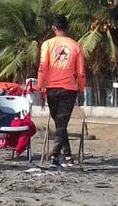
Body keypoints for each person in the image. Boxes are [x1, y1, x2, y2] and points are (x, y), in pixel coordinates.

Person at [35, 15, 86, 169]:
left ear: (53, 28)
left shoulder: (47, 44)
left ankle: (54, 156)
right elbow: (81, 71)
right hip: (69, 89)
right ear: (67, 27)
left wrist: (39, 86)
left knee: (60, 123)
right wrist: (82, 89)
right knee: (61, 123)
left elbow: (42, 67)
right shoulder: (76, 45)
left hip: (52, 89)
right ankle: (68, 155)